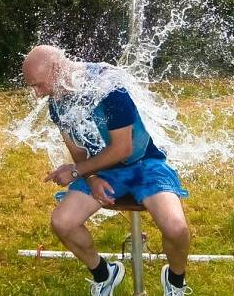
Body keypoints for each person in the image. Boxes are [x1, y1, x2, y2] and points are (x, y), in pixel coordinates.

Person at [22, 45, 192, 296]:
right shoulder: (56, 103)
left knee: (176, 228)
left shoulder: (107, 88)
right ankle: (105, 274)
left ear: (57, 70)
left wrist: (76, 171)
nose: (37, 94)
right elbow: (77, 150)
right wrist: (90, 178)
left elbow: (124, 148)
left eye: (39, 84)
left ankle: (175, 282)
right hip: (102, 169)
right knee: (62, 222)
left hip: (146, 165)